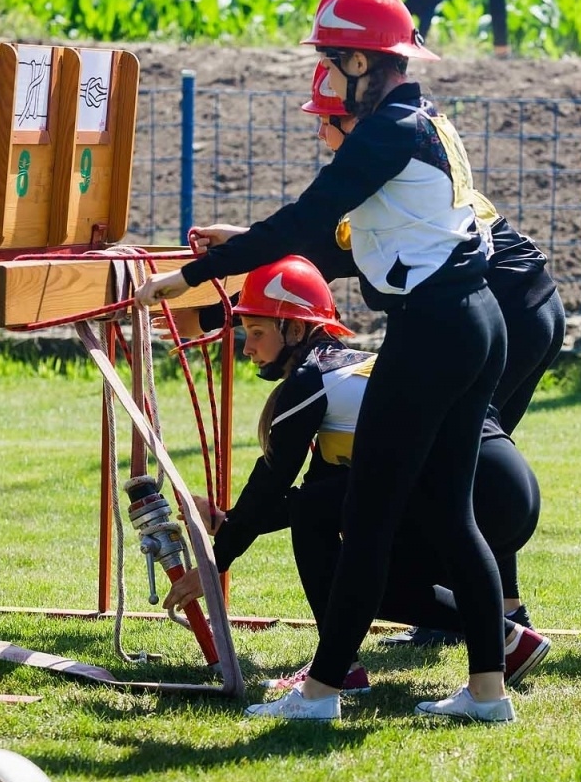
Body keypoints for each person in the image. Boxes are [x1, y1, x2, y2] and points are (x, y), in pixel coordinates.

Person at [139, 0, 516, 722]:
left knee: (371, 520)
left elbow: (307, 216)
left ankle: (318, 694)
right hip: (476, 323)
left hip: (433, 333)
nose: (326, 77)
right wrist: (239, 243)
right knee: (448, 511)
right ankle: (487, 693)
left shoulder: (382, 130)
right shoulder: (422, 119)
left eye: (331, 57)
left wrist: (189, 275)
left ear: (356, 62)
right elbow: (337, 234)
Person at [159, 255, 550, 694]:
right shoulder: (345, 369)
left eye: (257, 332)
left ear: (296, 329)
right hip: (511, 490)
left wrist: (216, 563)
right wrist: (229, 521)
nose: (246, 347)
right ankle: (505, 638)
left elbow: (273, 482)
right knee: (362, 569)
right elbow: (319, 495)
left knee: (340, 545)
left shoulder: (312, 379)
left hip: (482, 487)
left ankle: (338, 670)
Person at [199, 60, 565, 436]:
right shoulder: (405, 163)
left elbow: (312, 260)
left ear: (356, 123)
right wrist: (243, 239)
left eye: (326, 121)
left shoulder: (381, 166)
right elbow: (322, 244)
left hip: (510, 314)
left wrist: (208, 314)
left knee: (444, 451)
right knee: (470, 454)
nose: (321, 136)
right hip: (536, 304)